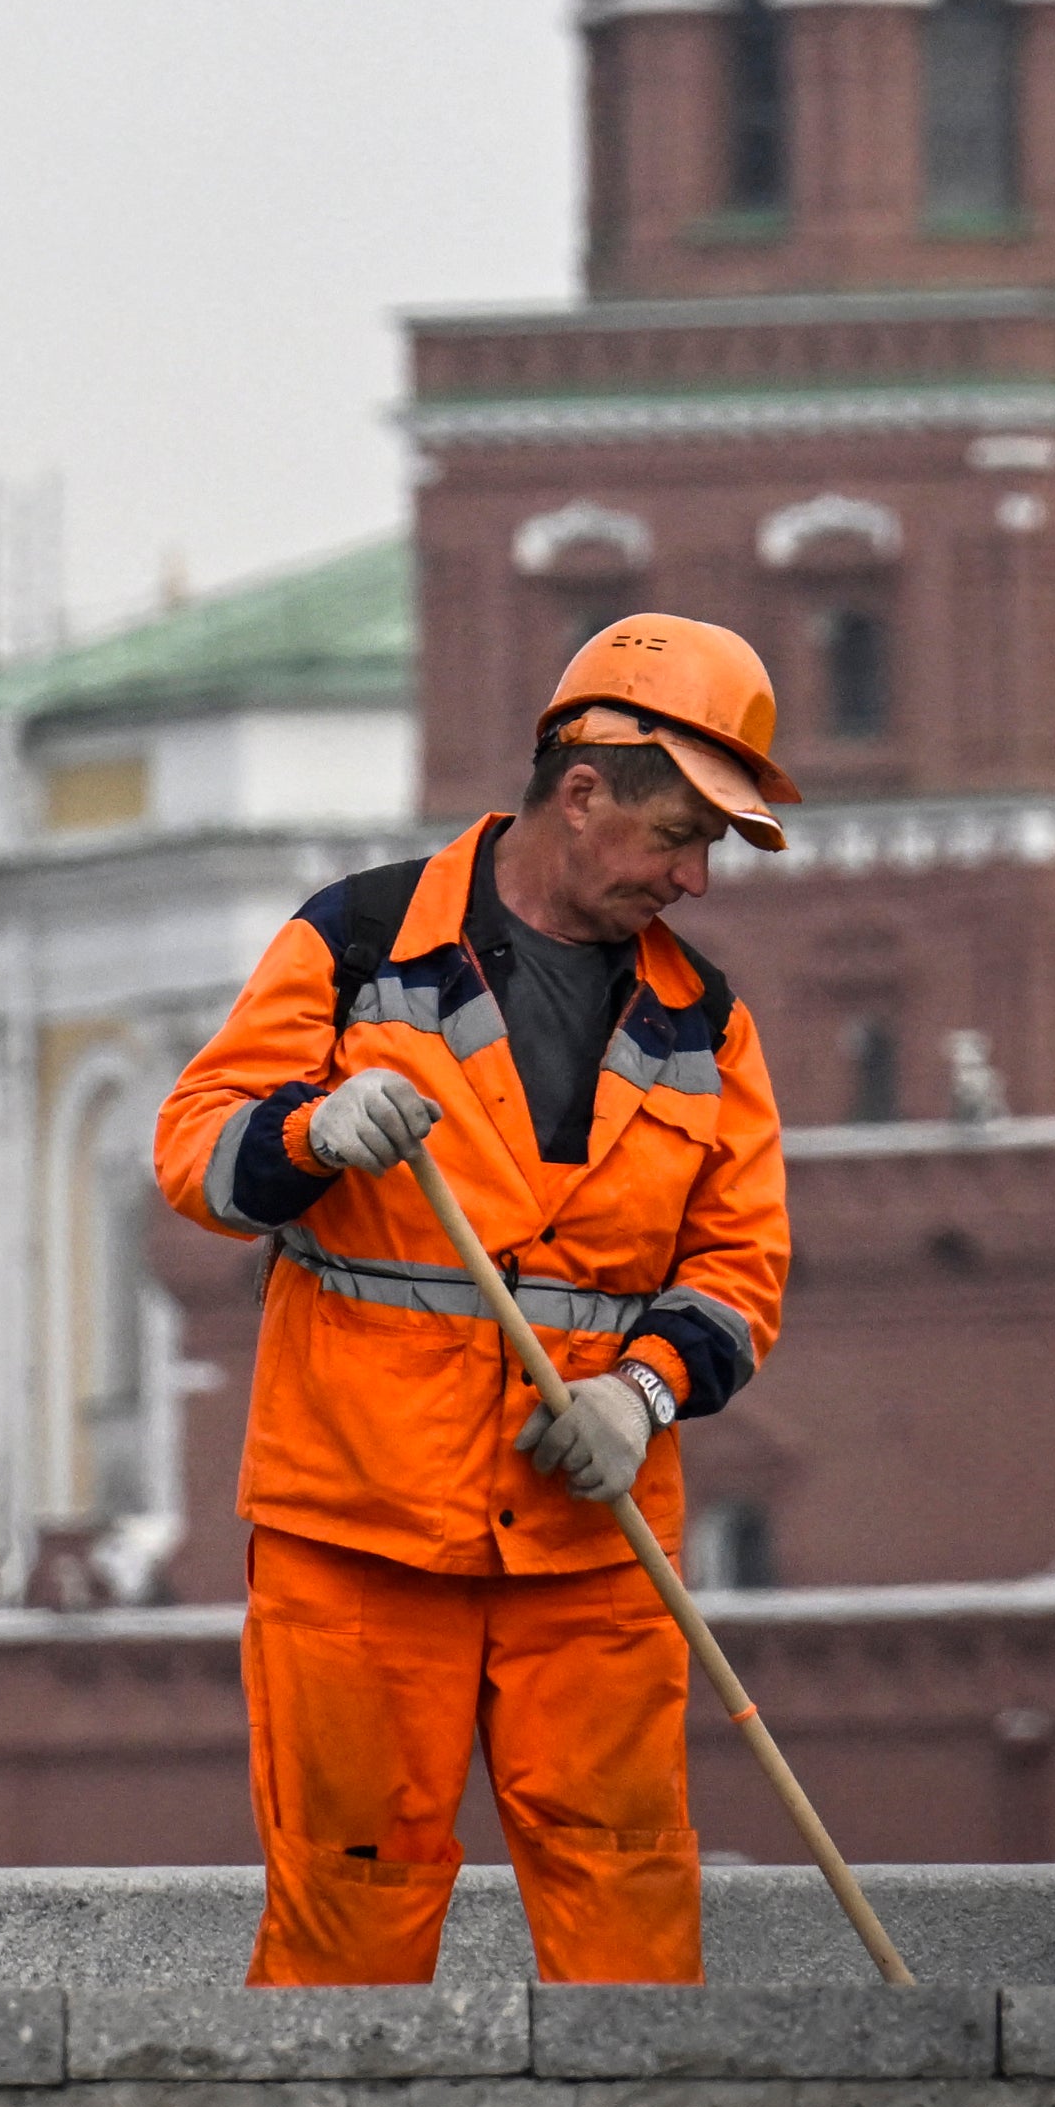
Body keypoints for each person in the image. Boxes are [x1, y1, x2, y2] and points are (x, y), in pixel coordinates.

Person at [150, 613, 799, 1984]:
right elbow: (192, 1151)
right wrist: (309, 1131)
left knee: (628, 1904)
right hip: (362, 1532)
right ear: (580, 792)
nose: (693, 876)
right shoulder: (358, 939)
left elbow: (740, 1273)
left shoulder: (704, 1019)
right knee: (348, 1905)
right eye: (679, 836)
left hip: (590, 1540)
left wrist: (641, 1391)